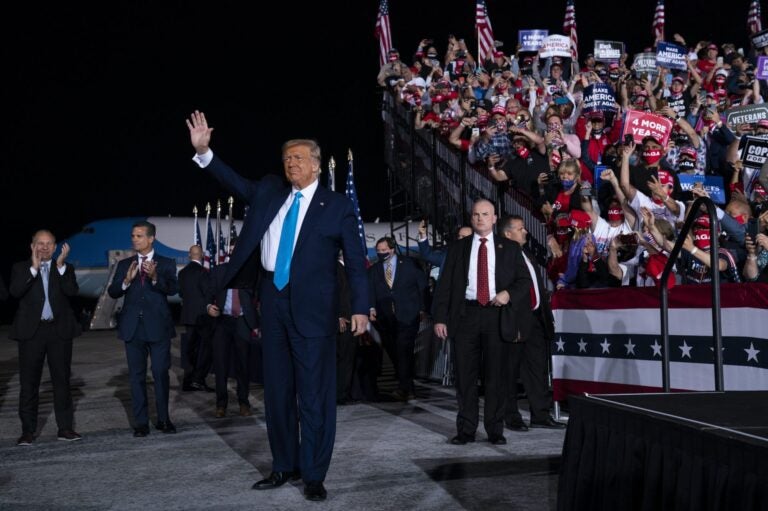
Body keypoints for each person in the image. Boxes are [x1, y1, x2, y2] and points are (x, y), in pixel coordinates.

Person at [187, 110, 369, 502]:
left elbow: (356, 263)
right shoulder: (270, 191)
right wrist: (205, 152)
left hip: (314, 309)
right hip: (272, 301)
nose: (291, 163)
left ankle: (315, 473)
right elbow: (233, 181)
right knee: (278, 392)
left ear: (317, 165)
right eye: (287, 158)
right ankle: (284, 465)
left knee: (315, 396)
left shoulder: (336, 206)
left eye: (299, 157)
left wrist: (359, 307)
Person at [432, 199, 531, 446]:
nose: (479, 218)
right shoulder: (458, 248)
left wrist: (507, 294)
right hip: (465, 315)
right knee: (465, 376)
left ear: (494, 218)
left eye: (485, 214)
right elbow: (445, 286)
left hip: (496, 315)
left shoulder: (509, 248)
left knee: (495, 377)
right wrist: (440, 318)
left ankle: (495, 429)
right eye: (475, 214)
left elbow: (524, 281)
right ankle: (466, 429)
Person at [9, 230, 82, 446]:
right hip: (31, 333)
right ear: (32, 245)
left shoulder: (65, 268)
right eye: (40, 243)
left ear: (55, 246)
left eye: (49, 243)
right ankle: (28, 431)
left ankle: (65, 428)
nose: (44, 247)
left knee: (62, 382)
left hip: (59, 332)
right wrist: (33, 268)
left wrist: (60, 266)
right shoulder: (20, 268)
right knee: (29, 384)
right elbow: (14, 292)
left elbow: (71, 291)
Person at [107, 221, 178, 437]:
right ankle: (141, 423)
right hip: (133, 328)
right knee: (136, 377)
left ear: (151, 238)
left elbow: (173, 289)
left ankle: (164, 420)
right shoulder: (124, 264)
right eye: (133, 236)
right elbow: (113, 292)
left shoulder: (166, 263)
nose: (134, 239)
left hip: (158, 327)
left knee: (160, 374)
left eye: (138, 236)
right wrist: (126, 281)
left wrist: (156, 278)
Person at [498, 216, 566, 430]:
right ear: (508, 234)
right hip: (516, 320)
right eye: (521, 229)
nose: (526, 232)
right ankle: (512, 416)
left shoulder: (527, 254)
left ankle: (540, 414)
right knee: (510, 371)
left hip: (536, 319)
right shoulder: (501, 256)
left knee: (537, 369)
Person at [368, 237, 427, 402]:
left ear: (392, 249)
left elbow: (422, 286)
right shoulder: (374, 270)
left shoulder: (408, 264)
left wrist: (422, 308)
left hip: (408, 315)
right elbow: (371, 291)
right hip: (385, 318)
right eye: (378, 251)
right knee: (395, 353)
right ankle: (408, 387)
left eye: (383, 250)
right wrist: (371, 308)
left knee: (403, 349)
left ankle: (405, 388)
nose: (380, 253)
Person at [206, 261, 259, 418]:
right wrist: (208, 306)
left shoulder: (250, 272)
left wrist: (256, 322)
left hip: (243, 322)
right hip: (222, 321)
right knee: (221, 365)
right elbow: (209, 292)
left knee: (243, 365)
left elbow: (257, 295)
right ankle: (221, 404)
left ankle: (243, 402)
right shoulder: (220, 271)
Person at [177, 244, 214, 392]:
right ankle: (198, 380)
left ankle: (188, 381)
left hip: (188, 316)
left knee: (190, 350)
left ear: (189, 255)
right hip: (202, 317)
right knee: (204, 351)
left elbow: (181, 293)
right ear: (202, 255)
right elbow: (207, 294)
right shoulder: (203, 273)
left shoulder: (182, 273)